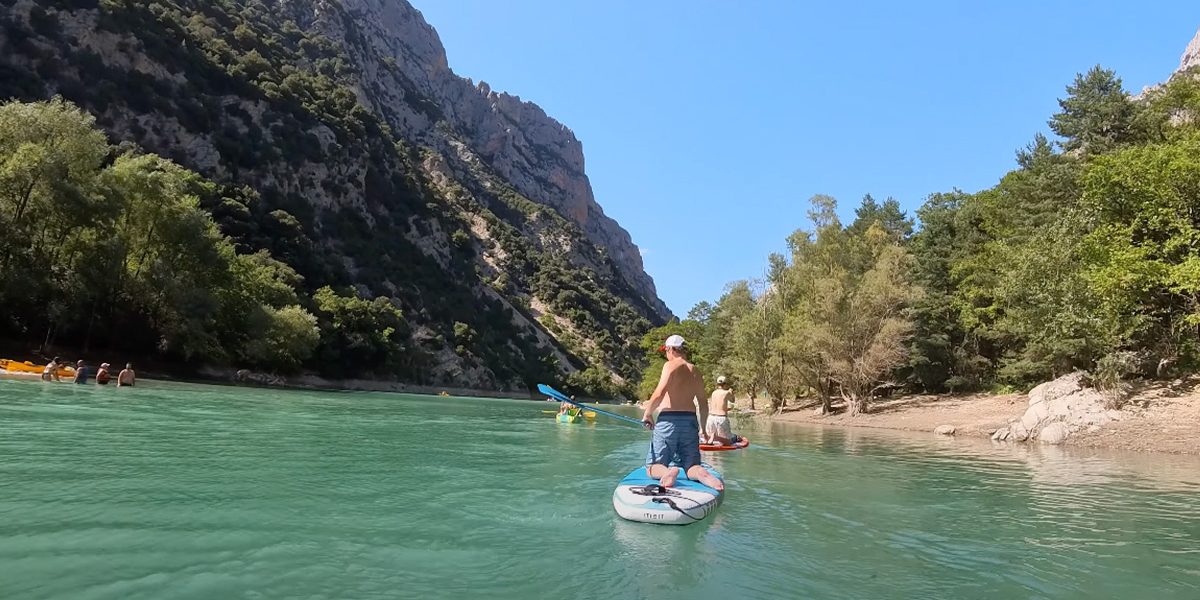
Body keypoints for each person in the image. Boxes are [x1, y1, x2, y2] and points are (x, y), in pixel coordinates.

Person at [640, 335, 724, 490]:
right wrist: (703, 429)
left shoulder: (670, 366)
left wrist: (647, 414)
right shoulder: (695, 371)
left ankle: (668, 471)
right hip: (690, 421)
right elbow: (703, 403)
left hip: (668, 420)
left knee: (653, 466)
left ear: (671, 349)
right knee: (691, 465)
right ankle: (700, 474)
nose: (666, 354)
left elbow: (659, 393)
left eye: (666, 350)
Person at [703, 376, 738, 445]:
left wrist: (728, 409)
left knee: (710, 437)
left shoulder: (713, 393)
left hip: (711, 418)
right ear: (725, 384)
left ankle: (711, 438)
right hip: (721, 418)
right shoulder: (726, 393)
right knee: (728, 442)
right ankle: (715, 437)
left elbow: (718, 407)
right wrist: (731, 392)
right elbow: (733, 400)